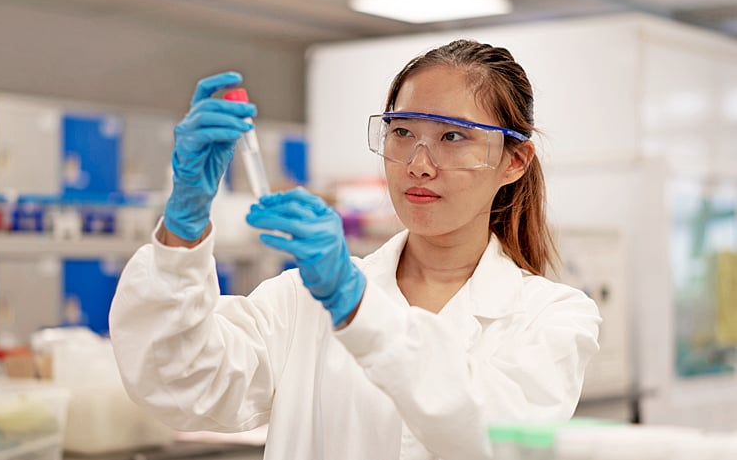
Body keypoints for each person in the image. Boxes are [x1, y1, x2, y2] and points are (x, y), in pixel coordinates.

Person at [109, 39, 601, 460]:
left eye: (453, 136)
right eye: (403, 132)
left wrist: (354, 303)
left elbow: (490, 438)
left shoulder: (552, 318)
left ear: (514, 160)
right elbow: (181, 385)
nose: (419, 164)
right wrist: (183, 225)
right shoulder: (300, 299)